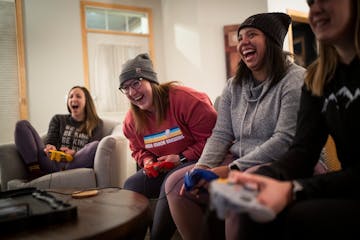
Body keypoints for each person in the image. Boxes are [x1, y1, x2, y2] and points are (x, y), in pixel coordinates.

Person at [224, 0, 360, 239]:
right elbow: (302, 151)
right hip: (349, 186)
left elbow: (285, 141)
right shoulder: (320, 78)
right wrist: (260, 178)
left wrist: (293, 189)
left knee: (298, 217)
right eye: (311, 2)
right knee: (248, 200)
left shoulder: (296, 78)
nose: (315, 10)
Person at [165, 12, 306, 240]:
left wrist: (232, 170)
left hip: (287, 160)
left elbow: (285, 139)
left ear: (271, 41)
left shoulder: (295, 79)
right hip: (240, 160)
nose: (243, 43)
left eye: (252, 35)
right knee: (175, 184)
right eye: (240, 37)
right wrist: (202, 168)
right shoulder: (234, 85)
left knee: (235, 192)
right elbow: (221, 134)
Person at [119, 53, 217, 239]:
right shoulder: (131, 120)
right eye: (125, 88)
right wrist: (147, 160)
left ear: (151, 80)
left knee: (169, 182)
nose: (131, 92)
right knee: (131, 184)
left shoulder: (187, 100)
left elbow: (216, 139)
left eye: (136, 83)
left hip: (199, 161)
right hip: (165, 165)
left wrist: (181, 157)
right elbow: (137, 149)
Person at [15, 86, 103, 179]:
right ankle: (35, 171)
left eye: (78, 96)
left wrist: (74, 153)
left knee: (96, 145)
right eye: (71, 96)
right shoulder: (58, 119)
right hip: (52, 161)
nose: (73, 99)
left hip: (75, 163)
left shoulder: (96, 123)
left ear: (87, 101)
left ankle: (61, 171)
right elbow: (50, 141)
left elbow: (94, 150)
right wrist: (50, 147)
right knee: (22, 125)